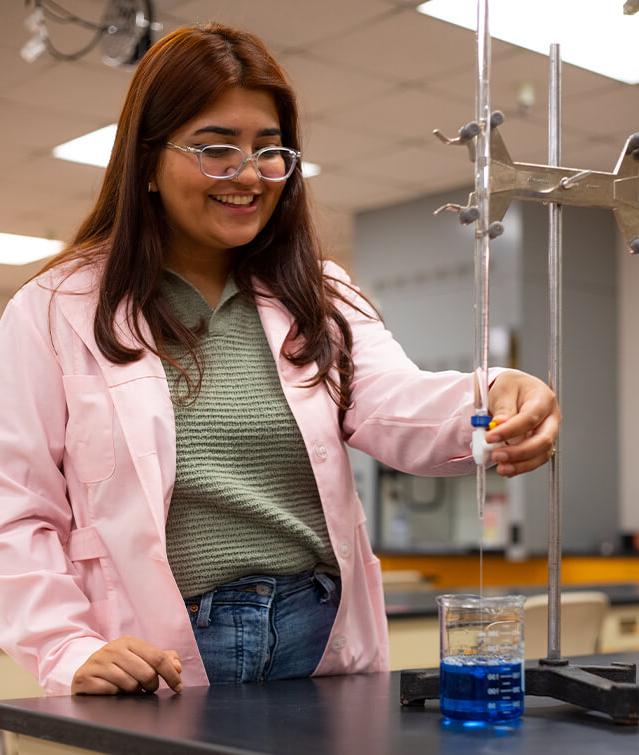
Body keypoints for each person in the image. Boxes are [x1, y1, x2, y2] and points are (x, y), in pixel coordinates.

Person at [0, 23, 559, 697]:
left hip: (316, 629)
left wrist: (492, 393)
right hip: (158, 648)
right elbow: (17, 508)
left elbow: (392, 403)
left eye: (270, 151)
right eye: (215, 149)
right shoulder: (56, 308)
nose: (247, 174)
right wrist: (66, 645)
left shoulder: (317, 292)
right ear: (146, 161)